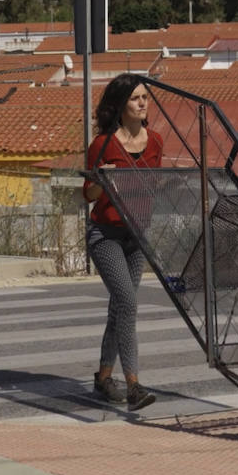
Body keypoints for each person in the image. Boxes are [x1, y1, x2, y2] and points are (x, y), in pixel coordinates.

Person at [82, 73, 162, 411]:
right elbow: (88, 195)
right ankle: (133, 386)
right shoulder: (102, 145)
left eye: (145, 97)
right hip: (106, 235)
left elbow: (153, 186)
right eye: (135, 98)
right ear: (120, 105)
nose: (142, 103)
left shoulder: (156, 141)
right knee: (128, 303)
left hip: (137, 235)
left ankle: (103, 377)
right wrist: (104, 179)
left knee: (120, 308)